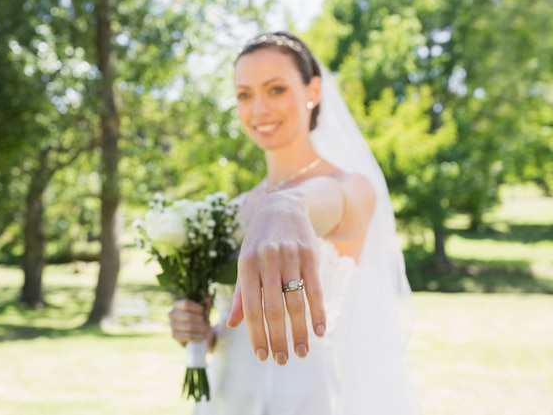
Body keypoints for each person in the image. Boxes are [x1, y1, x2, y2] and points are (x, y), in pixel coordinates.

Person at [168, 31, 418, 414]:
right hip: (227, 396)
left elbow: (332, 203)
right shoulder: (233, 208)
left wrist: (289, 205)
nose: (259, 109)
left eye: (276, 89)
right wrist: (204, 332)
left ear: (312, 91)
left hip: (306, 399)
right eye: (244, 95)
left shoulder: (349, 186)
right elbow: (239, 326)